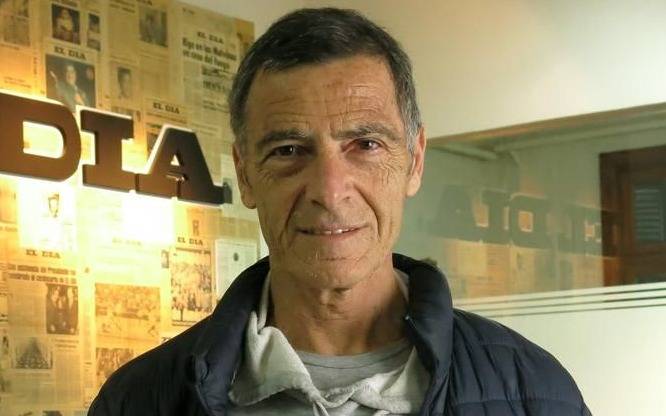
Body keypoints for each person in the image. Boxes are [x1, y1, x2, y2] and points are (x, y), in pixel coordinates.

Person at [89, 8, 590, 415]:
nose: (330, 192)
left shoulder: (536, 393)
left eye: (365, 145)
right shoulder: (138, 401)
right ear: (245, 174)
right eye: (288, 150)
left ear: (414, 161)